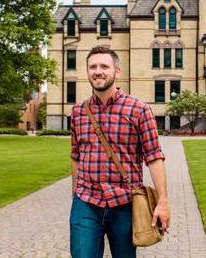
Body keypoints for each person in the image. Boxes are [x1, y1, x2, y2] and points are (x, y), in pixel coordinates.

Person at [69, 45, 170, 258]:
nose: (98, 71)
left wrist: (163, 202)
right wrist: (75, 196)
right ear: (87, 71)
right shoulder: (78, 112)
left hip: (125, 204)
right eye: (92, 66)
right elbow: (76, 156)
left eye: (104, 66)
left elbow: (154, 157)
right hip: (86, 202)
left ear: (117, 71)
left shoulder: (139, 110)